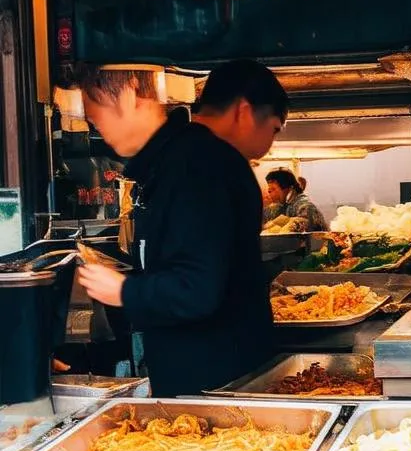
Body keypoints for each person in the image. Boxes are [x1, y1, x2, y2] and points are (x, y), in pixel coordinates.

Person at [76, 66, 273, 397]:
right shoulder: (170, 165)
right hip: (205, 386)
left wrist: (124, 291)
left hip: (221, 395)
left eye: (96, 116)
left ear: (127, 93)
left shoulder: (194, 167)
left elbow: (197, 287)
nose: (93, 124)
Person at [193, 59, 288, 161]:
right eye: (275, 129)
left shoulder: (179, 149)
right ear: (244, 113)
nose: (271, 145)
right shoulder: (221, 169)